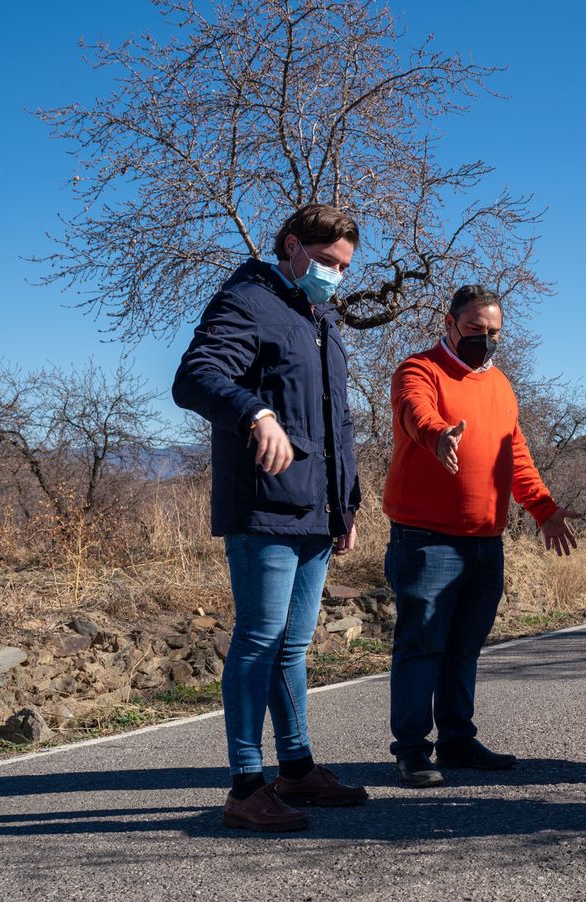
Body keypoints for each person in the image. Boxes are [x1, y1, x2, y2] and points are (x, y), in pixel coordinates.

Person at [172, 203, 370, 832]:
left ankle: (297, 768)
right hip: (264, 506)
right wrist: (255, 413)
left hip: (315, 510)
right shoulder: (248, 301)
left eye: (343, 267)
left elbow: (335, 424)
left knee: (293, 645)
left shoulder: (320, 317)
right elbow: (195, 376)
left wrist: (347, 505)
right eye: (326, 262)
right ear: (291, 247)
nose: (335, 275)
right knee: (259, 640)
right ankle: (244, 784)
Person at [382, 285, 580, 787]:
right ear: (449, 324)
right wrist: (435, 435)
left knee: (464, 647)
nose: (485, 341)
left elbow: (515, 456)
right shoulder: (419, 369)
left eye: (493, 333)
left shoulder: (501, 386)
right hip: (425, 540)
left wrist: (544, 509)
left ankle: (456, 741)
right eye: (475, 331)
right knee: (420, 645)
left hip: (485, 542)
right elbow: (415, 410)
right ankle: (410, 750)